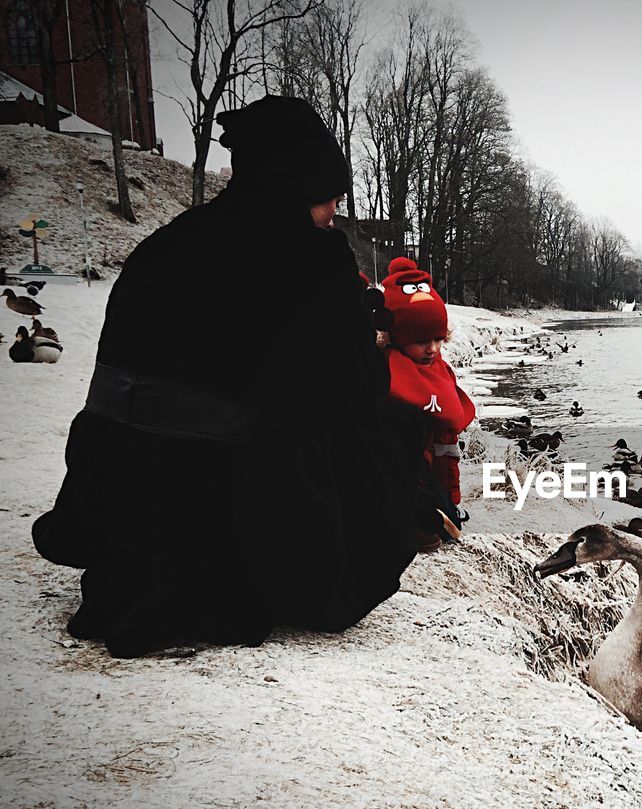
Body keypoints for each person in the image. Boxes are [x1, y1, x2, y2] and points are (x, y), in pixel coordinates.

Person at [32, 95, 424, 658]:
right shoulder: (312, 262)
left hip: (122, 494)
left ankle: (154, 573)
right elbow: (351, 398)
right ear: (297, 188)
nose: (332, 215)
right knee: (395, 428)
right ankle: (249, 574)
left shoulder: (164, 245)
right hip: (227, 503)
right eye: (328, 201)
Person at [380, 257, 476, 552]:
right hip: (400, 471)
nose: (433, 349)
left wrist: (451, 498)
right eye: (421, 340)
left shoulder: (438, 371)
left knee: (448, 525)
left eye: (438, 339)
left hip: (431, 466)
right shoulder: (386, 372)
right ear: (396, 335)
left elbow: (448, 442)